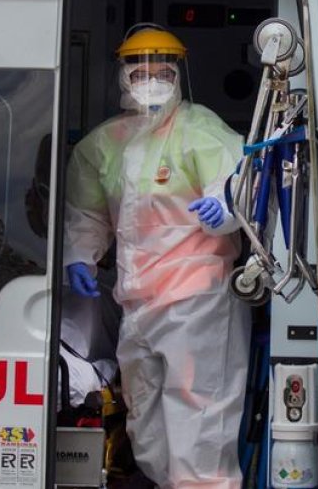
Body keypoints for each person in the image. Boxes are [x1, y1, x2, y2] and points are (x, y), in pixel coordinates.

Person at [63, 24, 248, 488]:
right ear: (123, 74)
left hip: (196, 298)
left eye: (162, 69)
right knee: (145, 424)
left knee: (199, 418)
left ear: (179, 72)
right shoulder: (104, 144)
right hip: (137, 301)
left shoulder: (199, 129)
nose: (151, 77)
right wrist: (80, 256)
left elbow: (240, 182)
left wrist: (224, 207)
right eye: (140, 68)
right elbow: (86, 212)